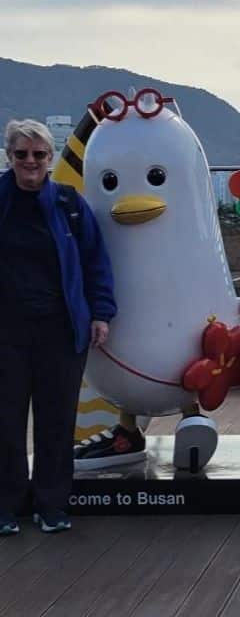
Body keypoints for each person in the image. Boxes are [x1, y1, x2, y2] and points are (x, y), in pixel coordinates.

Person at [0, 119, 116, 535]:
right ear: (10, 156)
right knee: (5, 421)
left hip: (60, 330)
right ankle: (6, 503)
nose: (30, 161)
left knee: (56, 419)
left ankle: (51, 504)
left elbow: (95, 262)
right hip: (6, 331)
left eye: (39, 154)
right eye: (21, 154)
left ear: (50, 158)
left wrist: (100, 313)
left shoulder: (69, 204)